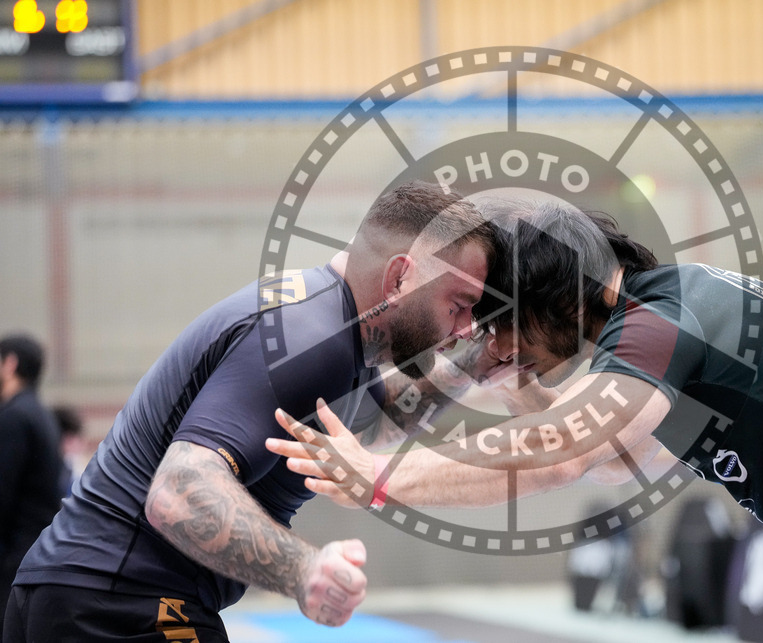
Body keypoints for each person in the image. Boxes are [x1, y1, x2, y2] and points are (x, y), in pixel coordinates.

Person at [270, 196, 763, 642]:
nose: (493, 345)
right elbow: (620, 461)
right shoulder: (664, 323)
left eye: (502, 324)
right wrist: (515, 387)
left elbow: (566, 452)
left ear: (558, 296)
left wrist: (381, 477)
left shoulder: (665, 320)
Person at [3, 181, 496, 642]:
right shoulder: (309, 341)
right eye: (459, 304)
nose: (465, 329)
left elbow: (377, 421)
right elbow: (178, 493)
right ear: (400, 277)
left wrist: (477, 364)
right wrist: (304, 570)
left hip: (82, 591)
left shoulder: (332, 325)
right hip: (121, 602)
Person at [0, 335, 64, 634]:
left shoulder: (14, 416)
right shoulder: (41, 414)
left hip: (13, 559)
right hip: (36, 552)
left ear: (10, 363)